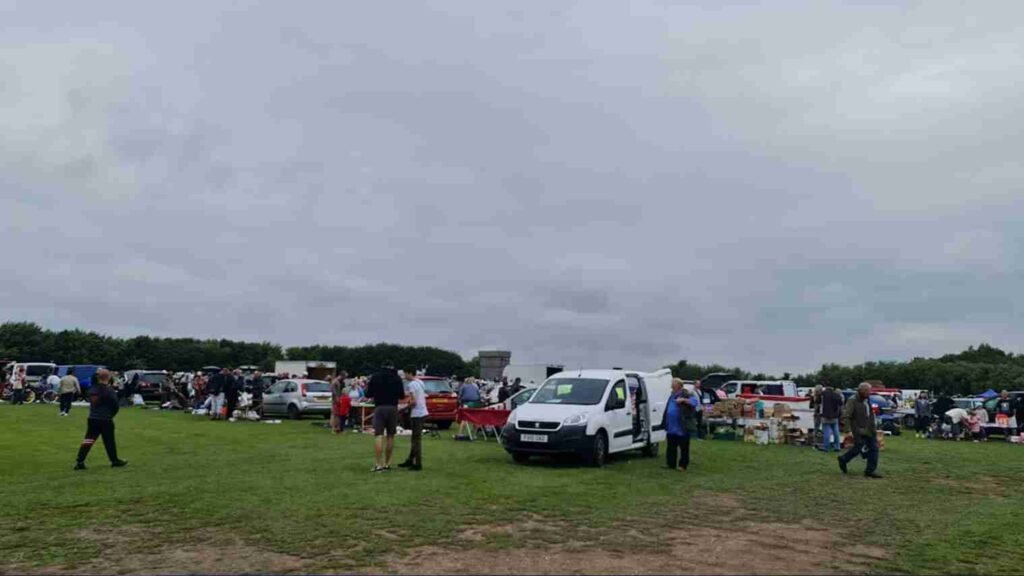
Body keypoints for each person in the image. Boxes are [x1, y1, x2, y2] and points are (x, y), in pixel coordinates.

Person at [74, 369, 128, 470]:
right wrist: (111, 415)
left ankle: (80, 460)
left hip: (93, 417)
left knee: (88, 439)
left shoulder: (92, 389)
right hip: (106, 419)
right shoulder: (109, 390)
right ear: (108, 378)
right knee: (109, 441)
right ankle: (114, 460)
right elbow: (115, 405)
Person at [365, 363, 405, 472]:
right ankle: (387, 463)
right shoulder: (397, 378)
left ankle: (378, 464)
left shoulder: (376, 377)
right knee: (390, 436)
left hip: (380, 407)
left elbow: (368, 394)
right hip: (393, 407)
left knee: (378, 435)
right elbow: (401, 395)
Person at [838, 382, 881, 479]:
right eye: (868, 391)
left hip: (870, 429)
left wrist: (874, 427)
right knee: (857, 448)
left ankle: (870, 470)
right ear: (862, 391)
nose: (870, 393)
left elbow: (869, 415)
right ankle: (843, 459)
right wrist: (847, 430)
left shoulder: (867, 400)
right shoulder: (852, 400)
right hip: (858, 430)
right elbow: (846, 416)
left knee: (874, 449)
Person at [664, 380, 697, 472]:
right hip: (671, 427)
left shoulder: (686, 394)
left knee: (684, 448)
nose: (671, 387)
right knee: (671, 447)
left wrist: (683, 400)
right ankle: (670, 464)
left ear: (679, 386)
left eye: (673, 386)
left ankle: (683, 465)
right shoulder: (672, 395)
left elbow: (694, 402)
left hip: (682, 427)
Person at [399, 371, 428, 471]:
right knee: (415, 438)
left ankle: (418, 463)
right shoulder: (420, 382)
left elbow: (414, 402)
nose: (404, 376)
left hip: (417, 414)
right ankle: (410, 459)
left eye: (405, 374)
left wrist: (402, 408)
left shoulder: (411, 384)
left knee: (416, 439)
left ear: (409, 373)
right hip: (423, 412)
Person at [820, 384, 844, 453]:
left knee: (826, 432)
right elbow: (841, 403)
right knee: (836, 432)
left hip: (825, 415)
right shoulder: (836, 394)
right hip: (834, 416)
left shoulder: (823, 394)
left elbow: (818, 402)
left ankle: (826, 448)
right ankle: (837, 447)